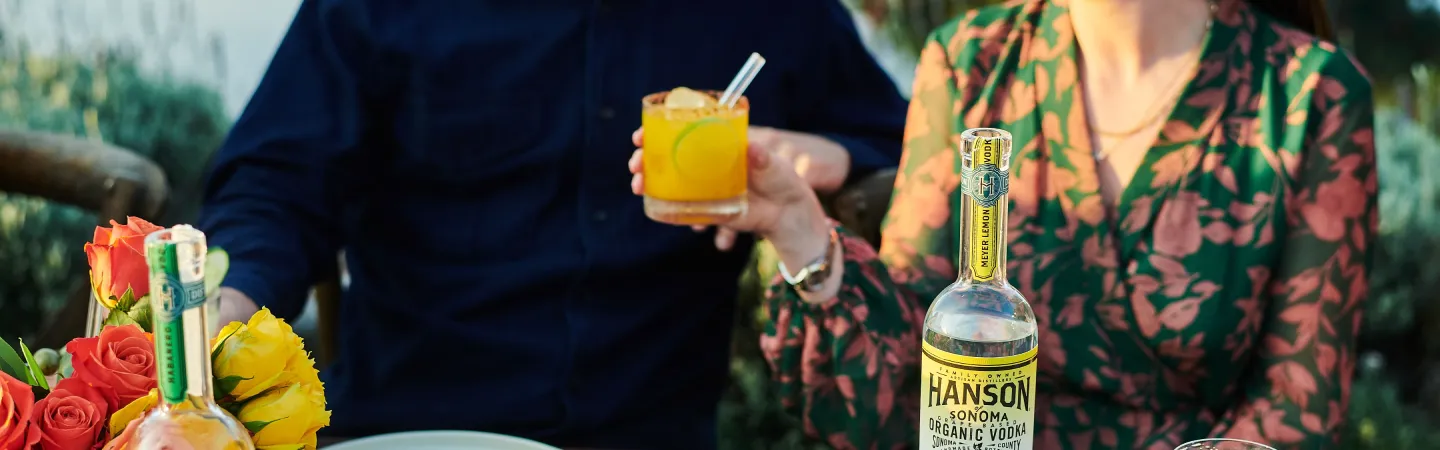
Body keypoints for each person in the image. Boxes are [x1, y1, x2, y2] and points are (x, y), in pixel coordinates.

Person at [629, 0, 1377, 448]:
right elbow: (902, 392)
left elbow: (1293, 418)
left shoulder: (1311, 95)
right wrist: (800, 230)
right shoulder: (969, 62)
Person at [197, 0, 908, 448]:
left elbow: (907, 140)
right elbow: (277, 180)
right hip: (413, 421)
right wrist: (225, 311)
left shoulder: (778, 12)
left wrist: (837, 154)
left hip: (652, 426)